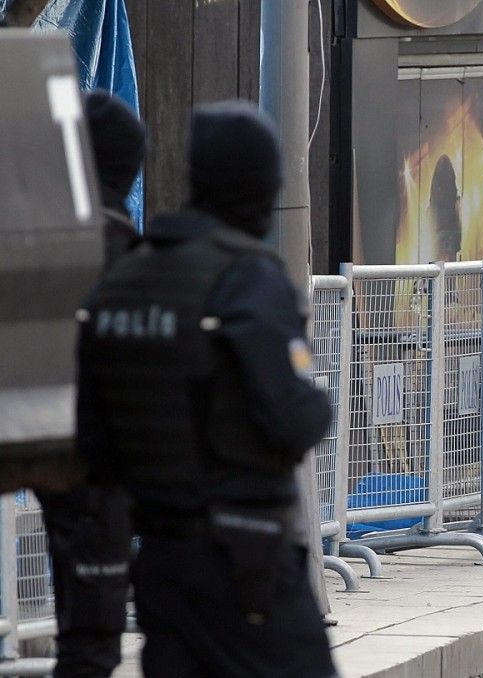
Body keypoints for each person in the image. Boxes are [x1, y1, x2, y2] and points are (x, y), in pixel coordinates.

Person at [76, 100, 337, 677]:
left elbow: (93, 443)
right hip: (249, 568)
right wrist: (318, 402)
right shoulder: (246, 276)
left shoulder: (124, 280)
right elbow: (293, 417)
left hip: (161, 568)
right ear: (260, 185)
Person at [36, 89, 144, 678]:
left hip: (42, 442)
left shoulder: (34, 241)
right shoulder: (125, 255)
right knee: (91, 639)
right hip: (95, 467)